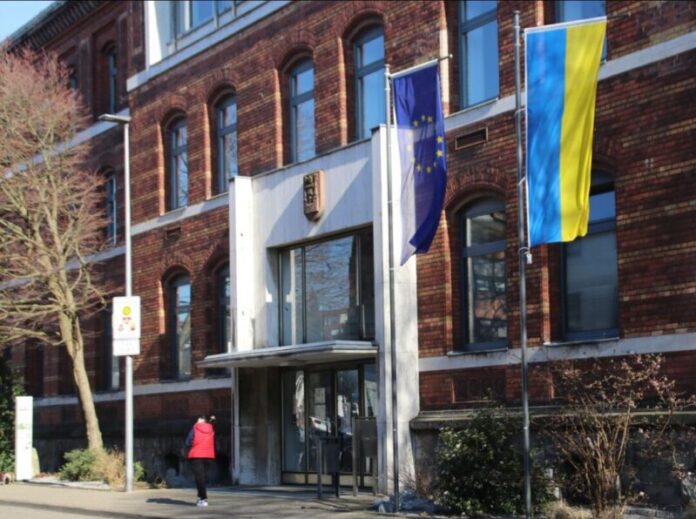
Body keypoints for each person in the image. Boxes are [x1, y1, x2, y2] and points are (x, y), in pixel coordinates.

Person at [185, 415, 216, 507]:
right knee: (203, 477)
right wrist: (212, 419)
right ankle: (200, 496)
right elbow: (213, 422)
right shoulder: (211, 429)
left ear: (199, 421)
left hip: (197, 455)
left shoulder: (195, 428)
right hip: (209, 456)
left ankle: (203, 498)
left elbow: (188, 441)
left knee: (199, 478)